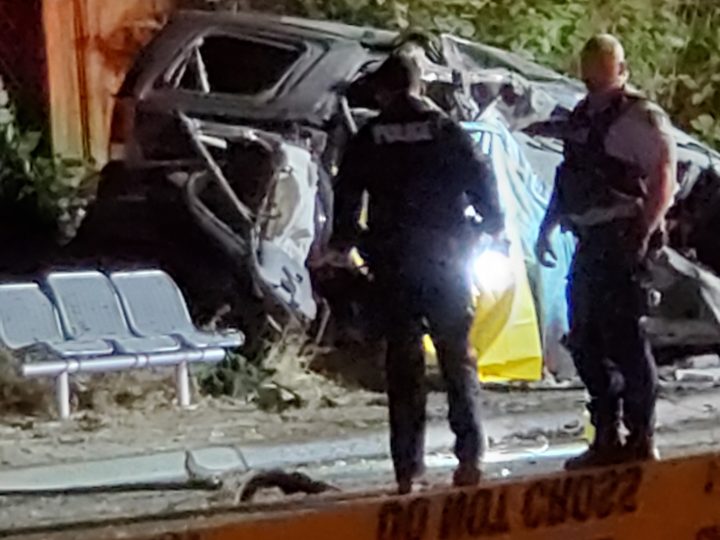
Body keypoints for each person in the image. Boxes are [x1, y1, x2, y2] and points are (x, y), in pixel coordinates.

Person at [327, 52, 504, 494]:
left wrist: (345, 242)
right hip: (447, 261)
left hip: (394, 264)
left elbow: (346, 192)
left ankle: (409, 471)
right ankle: (469, 460)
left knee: (403, 368)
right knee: (457, 360)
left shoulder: (370, 135)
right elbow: (482, 179)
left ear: (384, 91)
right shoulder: (446, 130)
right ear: (419, 85)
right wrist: (490, 226)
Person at [534, 34, 677, 470]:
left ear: (620, 68)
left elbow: (663, 176)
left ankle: (641, 436)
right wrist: (548, 225)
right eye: (589, 66)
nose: (593, 75)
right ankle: (606, 435)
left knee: (626, 339)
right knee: (585, 339)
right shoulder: (582, 116)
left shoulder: (640, 116)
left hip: (622, 235)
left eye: (601, 66)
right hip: (590, 238)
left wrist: (643, 233)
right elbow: (569, 175)